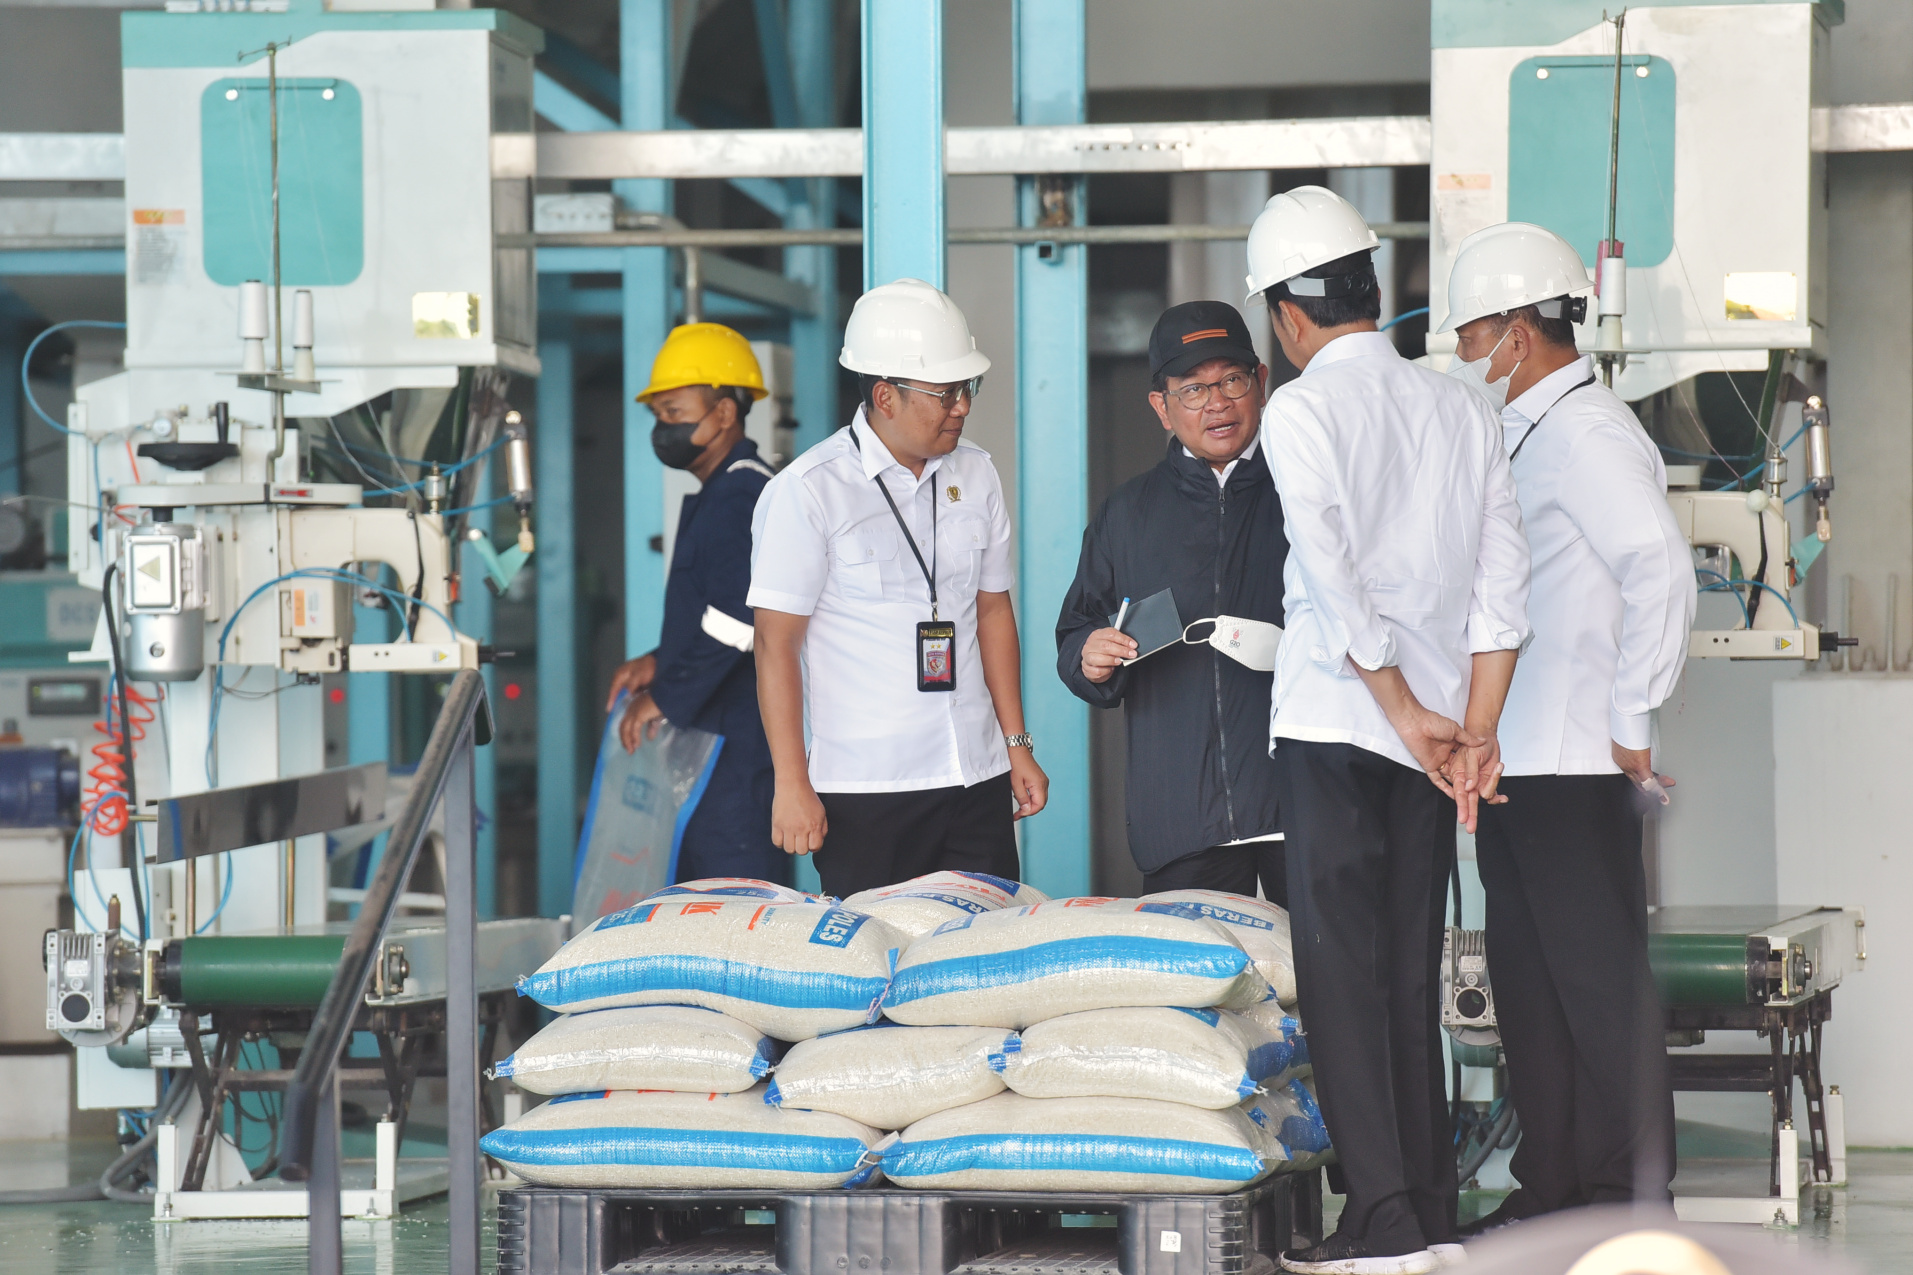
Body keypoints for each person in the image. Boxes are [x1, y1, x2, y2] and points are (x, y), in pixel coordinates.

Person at [1247, 186, 1532, 1275]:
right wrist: (1472, 727)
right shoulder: (1461, 406)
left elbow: (1329, 574)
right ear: (1370, 287)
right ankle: (1429, 1207)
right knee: (1409, 967)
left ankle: (1381, 1221)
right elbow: (1502, 577)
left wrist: (1402, 707)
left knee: (1340, 972)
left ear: (1286, 314)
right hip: (1432, 739)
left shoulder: (1302, 410)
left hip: (1338, 723)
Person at [1440, 222, 1693, 1231]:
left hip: (1578, 760)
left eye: (1468, 336)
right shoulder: (1521, 427)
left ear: (1513, 330)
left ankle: (1631, 1202)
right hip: (1515, 755)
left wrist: (1630, 714)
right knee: (1530, 990)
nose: (1462, 356)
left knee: (1595, 993)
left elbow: (1658, 569)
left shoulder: (1588, 432)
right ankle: (1549, 1193)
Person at [747, 278, 1049, 897]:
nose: (962, 405)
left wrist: (1016, 744)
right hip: (867, 794)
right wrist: (790, 783)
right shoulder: (809, 491)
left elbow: (992, 612)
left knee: (984, 964)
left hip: (977, 777)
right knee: (878, 969)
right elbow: (774, 645)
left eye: (967, 389)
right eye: (945, 393)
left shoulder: (977, 474)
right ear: (885, 395)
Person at [1054, 300, 1288, 898]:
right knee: (1196, 988)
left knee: (1323, 986)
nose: (1217, 403)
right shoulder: (1128, 515)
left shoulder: (1306, 490)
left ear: (1261, 382)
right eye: (1192, 389)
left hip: (1301, 809)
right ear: (1161, 406)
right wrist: (1088, 654)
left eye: (1232, 380)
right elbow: (1074, 630)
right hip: (1181, 818)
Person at [602, 323, 786, 884]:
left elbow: (742, 617)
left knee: (734, 906)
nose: (664, 428)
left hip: (737, 750)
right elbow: (715, 609)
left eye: (676, 413)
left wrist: (666, 695)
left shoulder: (741, 494)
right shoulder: (719, 490)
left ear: (726, 414)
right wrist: (661, 658)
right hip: (715, 742)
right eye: (659, 415)